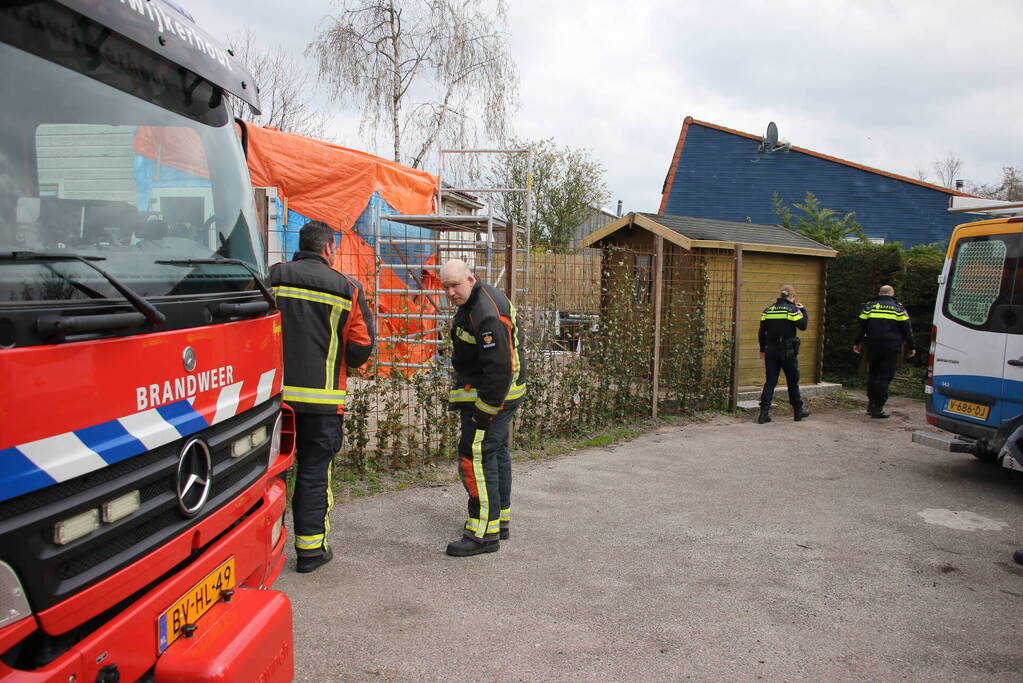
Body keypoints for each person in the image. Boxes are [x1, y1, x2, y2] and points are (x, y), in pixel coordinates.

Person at [270, 221, 374, 573]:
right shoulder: (347, 288)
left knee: (270, 477)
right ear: (328, 249)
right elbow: (361, 347)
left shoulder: (273, 278)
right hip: (323, 403)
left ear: (300, 245)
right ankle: (311, 551)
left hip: (273, 400)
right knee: (315, 471)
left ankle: (266, 549)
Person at [439, 259, 526, 557]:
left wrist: (482, 413)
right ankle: (499, 521)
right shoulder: (476, 300)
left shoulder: (485, 314)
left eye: (455, 285)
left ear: (471, 279)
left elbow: (499, 370)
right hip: (499, 394)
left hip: (493, 398)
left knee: (475, 456)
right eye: (445, 287)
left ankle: (483, 534)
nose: (450, 293)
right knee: (496, 453)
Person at [853, 285, 915, 419]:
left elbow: (861, 326)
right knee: (885, 377)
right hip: (891, 347)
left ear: (879, 293)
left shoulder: (869, 306)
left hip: (873, 346)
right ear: (892, 293)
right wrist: (912, 346)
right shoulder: (898, 308)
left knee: (873, 374)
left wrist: (857, 343)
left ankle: (871, 403)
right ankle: (878, 407)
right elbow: (907, 329)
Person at [757, 284, 810, 424]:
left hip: (771, 351)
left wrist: (762, 349)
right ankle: (798, 411)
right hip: (788, 351)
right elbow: (803, 326)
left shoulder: (768, 310)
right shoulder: (792, 310)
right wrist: (803, 310)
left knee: (770, 382)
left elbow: (762, 332)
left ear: (781, 295)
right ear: (792, 297)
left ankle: (763, 414)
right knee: (792, 382)